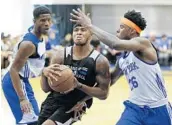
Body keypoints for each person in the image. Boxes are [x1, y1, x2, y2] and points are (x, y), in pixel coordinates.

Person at [70, 9, 172, 125]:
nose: (118, 30)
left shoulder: (144, 44)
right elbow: (109, 81)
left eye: (122, 27)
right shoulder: (123, 59)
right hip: (134, 109)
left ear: (132, 31)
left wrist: (89, 26)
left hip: (158, 109)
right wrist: (83, 100)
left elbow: (115, 44)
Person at [37, 23, 111, 125]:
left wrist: (79, 86)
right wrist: (44, 74)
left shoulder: (99, 61)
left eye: (83, 30)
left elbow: (103, 93)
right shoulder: (60, 55)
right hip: (53, 100)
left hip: (75, 104)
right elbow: (46, 89)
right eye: (76, 30)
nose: (79, 32)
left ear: (91, 35)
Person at [2, 6, 52, 125]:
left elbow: (33, 61)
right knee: (31, 121)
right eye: (42, 20)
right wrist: (22, 98)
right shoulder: (28, 44)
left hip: (22, 80)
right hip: (14, 80)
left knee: (30, 120)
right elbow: (14, 69)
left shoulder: (36, 34)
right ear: (34, 21)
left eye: (49, 20)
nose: (47, 23)